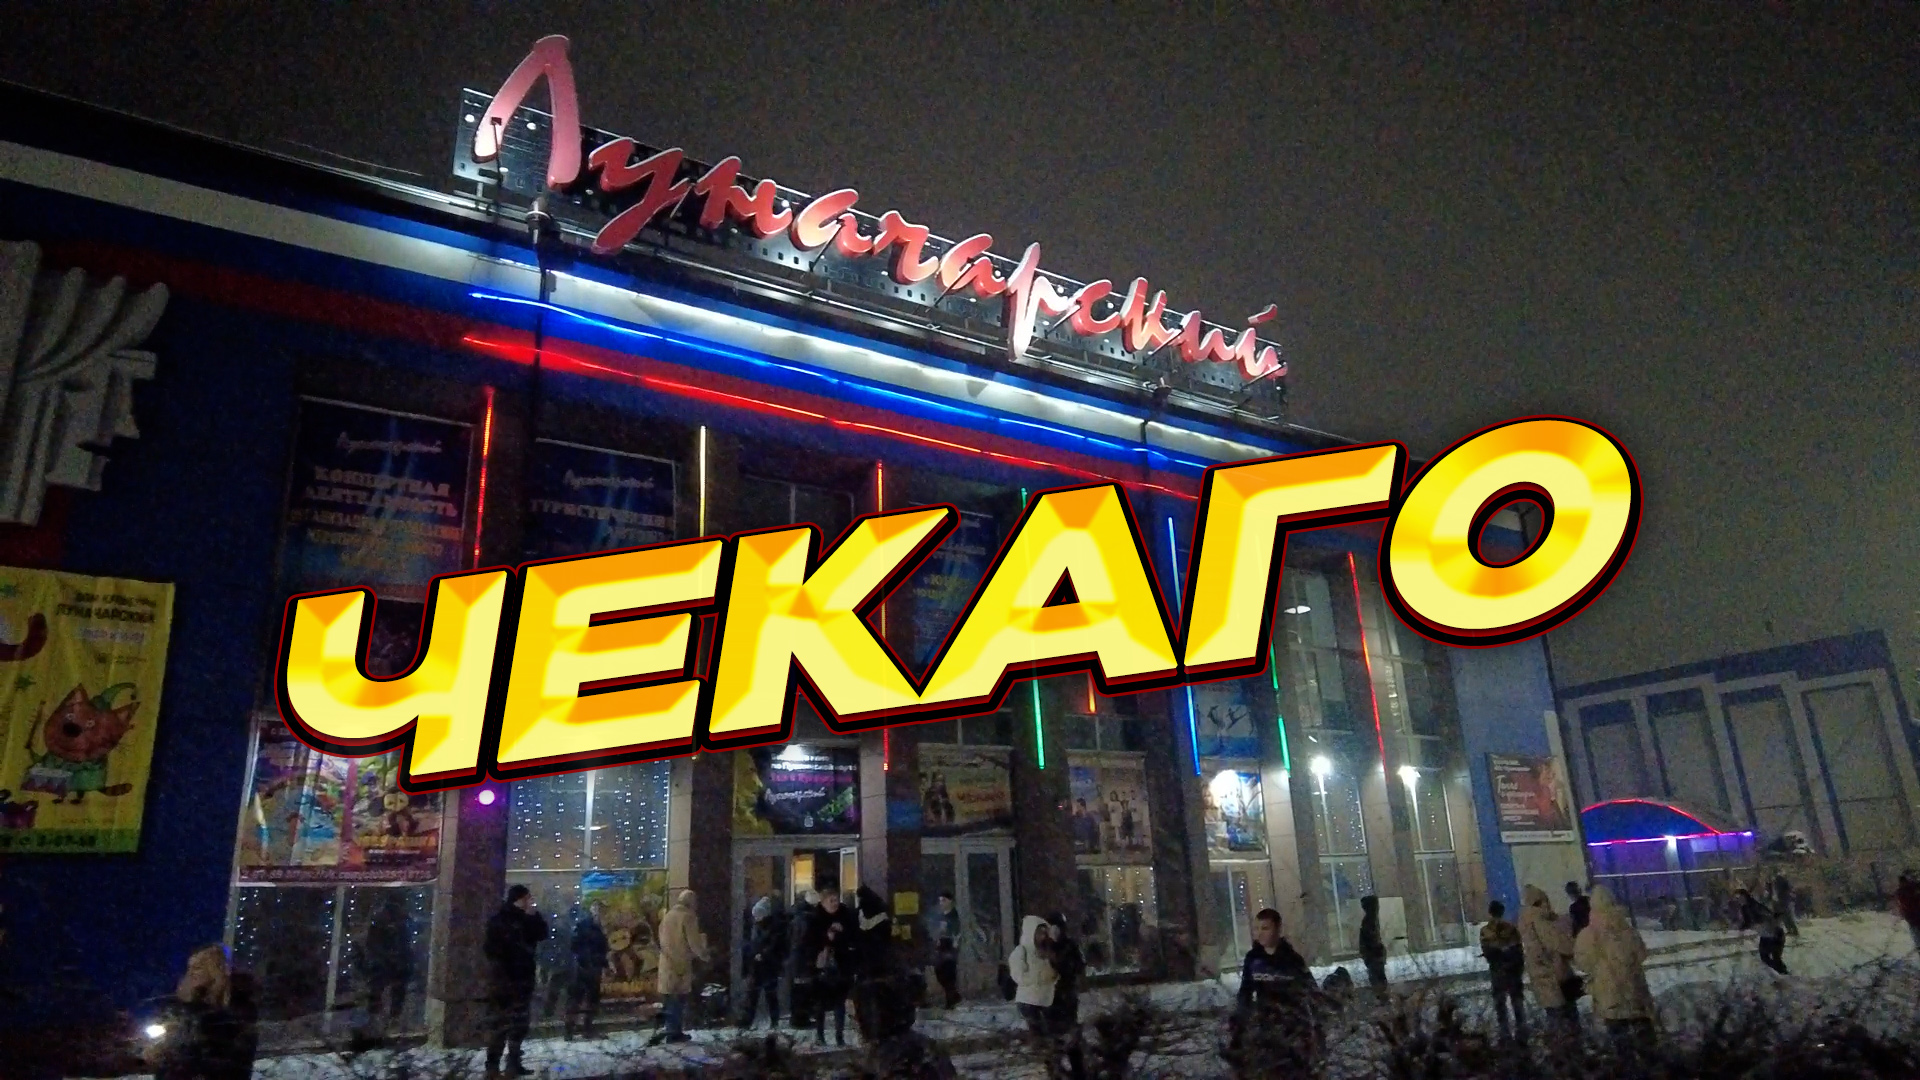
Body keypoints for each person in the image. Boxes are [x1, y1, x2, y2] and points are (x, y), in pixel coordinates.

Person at [153, 944, 258, 1080]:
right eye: (189, 968)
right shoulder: (184, 1007)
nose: (191, 973)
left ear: (214, 970)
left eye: (197, 968)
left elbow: (232, 1061)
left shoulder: (237, 1007)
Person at [1573, 886, 1655, 1053]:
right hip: (1634, 989)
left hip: (1608, 993)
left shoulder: (1588, 934)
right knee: (1644, 1036)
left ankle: (1626, 1062)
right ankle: (1652, 1062)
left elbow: (1582, 963)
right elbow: (1642, 954)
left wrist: (1600, 968)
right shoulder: (1628, 930)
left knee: (1619, 1037)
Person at [483, 885, 549, 1077]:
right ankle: (493, 1066)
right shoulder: (502, 920)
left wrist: (533, 917)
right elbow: (494, 949)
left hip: (520, 979)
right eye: (528, 898)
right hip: (506, 980)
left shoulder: (525, 918)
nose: (531, 901)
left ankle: (512, 1063)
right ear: (519, 899)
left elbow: (542, 934)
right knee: (502, 1024)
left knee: (518, 1024)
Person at [653, 889, 710, 1045]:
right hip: (681, 964)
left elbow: (660, 939)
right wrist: (705, 955)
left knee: (669, 999)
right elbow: (694, 942)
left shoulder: (667, 916)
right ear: (691, 902)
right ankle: (674, 1033)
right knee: (678, 1000)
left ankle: (670, 1030)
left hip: (666, 962)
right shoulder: (688, 917)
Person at [1518, 885, 1578, 1033]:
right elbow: (1557, 943)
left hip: (1540, 972)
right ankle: (1570, 1043)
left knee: (1553, 1013)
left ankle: (1559, 1042)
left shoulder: (1525, 920)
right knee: (1566, 1016)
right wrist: (1574, 947)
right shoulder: (1539, 919)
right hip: (1553, 974)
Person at [357, 897, 413, 1042]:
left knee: (386, 991)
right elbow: (373, 946)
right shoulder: (386, 925)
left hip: (391, 965)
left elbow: (373, 945)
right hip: (386, 965)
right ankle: (383, 1020)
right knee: (382, 991)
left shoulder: (396, 925)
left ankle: (386, 1019)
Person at [812, 889, 859, 1046]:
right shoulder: (816, 918)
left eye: (836, 900)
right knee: (820, 1003)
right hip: (821, 967)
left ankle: (839, 1035)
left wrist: (842, 934)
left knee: (840, 1002)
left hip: (842, 965)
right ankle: (820, 1035)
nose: (834, 904)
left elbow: (853, 938)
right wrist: (827, 936)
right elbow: (809, 942)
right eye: (831, 901)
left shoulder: (846, 916)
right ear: (823, 902)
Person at [1045, 912, 1089, 1080]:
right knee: (1052, 1039)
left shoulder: (1070, 946)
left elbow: (1079, 967)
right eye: (1051, 928)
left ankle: (1078, 1072)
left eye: (1057, 927)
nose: (1055, 931)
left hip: (1067, 996)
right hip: (1049, 998)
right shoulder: (1044, 948)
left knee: (1071, 1037)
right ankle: (1055, 1072)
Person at [1480, 901, 1528, 1044]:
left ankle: (1504, 1031)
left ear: (1490, 912)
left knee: (1500, 1003)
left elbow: (1487, 952)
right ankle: (1521, 1029)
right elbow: (1518, 951)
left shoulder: (1485, 931)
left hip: (1497, 971)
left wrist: (1497, 957)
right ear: (1502, 912)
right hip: (1512, 970)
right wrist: (1516, 966)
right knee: (1517, 1000)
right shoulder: (1511, 929)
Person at [565, 901, 611, 1039]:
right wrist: (586, 959)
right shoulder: (585, 926)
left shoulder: (599, 928)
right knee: (578, 998)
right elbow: (575, 945)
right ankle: (571, 1029)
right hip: (584, 967)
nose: (599, 912)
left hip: (592, 966)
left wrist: (604, 964)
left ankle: (585, 1028)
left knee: (591, 999)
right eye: (597, 909)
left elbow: (602, 949)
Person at [1007, 915, 1059, 1036]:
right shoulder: (1021, 951)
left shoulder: (1047, 951)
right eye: (1039, 933)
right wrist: (1039, 977)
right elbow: (1019, 976)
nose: (1043, 936)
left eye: (1045, 933)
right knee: (1037, 1034)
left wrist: (1053, 975)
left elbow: (1053, 973)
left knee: (1048, 1034)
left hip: (1046, 1001)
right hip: (1028, 1002)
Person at [742, 895, 786, 1030]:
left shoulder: (772, 927)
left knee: (769, 994)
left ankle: (773, 1021)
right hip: (758, 965)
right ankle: (750, 1020)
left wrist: (762, 954)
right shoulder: (757, 927)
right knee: (755, 995)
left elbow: (774, 945)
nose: (756, 918)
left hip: (768, 965)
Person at [1736, 888, 1788, 975]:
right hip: (1765, 935)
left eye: (1739, 897)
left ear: (1745, 896)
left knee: (1775, 957)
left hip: (1775, 934)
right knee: (1765, 957)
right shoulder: (1744, 908)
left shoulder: (1755, 905)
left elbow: (1767, 914)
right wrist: (1741, 928)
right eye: (1737, 898)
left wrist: (1773, 918)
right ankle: (1781, 973)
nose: (1738, 900)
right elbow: (1747, 922)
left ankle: (1783, 973)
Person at [788, 891, 821, 1030]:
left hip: (796, 959)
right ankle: (800, 1019)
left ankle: (797, 1017)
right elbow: (807, 941)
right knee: (804, 990)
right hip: (804, 959)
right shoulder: (809, 919)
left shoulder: (796, 917)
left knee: (797, 989)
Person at [927, 892, 962, 1008]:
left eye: (944, 900)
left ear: (950, 901)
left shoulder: (954, 915)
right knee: (940, 972)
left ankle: (951, 1000)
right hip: (941, 946)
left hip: (949, 946)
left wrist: (955, 942)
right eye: (940, 901)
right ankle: (954, 996)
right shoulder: (940, 915)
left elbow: (956, 931)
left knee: (948, 973)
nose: (941, 903)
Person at [1357, 895, 1388, 999]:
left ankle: (1381, 997)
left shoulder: (1370, 920)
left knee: (1377, 980)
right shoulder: (1370, 921)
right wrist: (1379, 950)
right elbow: (1372, 940)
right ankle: (1381, 997)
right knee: (1378, 981)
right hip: (1374, 957)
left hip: (1373, 956)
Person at [1895, 871, 1920, 952]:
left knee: (1916, 934)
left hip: (1912, 916)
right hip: (1912, 916)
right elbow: (1906, 904)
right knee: (1916, 934)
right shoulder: (1904, 891)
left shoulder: (1912, 888)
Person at [1771, 871, 1799, 936]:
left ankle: (1792, 930)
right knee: (1786, 915)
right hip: (1783, 900)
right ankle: (1792, 930)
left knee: (1785, 915)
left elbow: (1779, 890)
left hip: (1782, 900)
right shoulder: (1782, 880)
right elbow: (1788, 888)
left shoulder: (1778, 880)